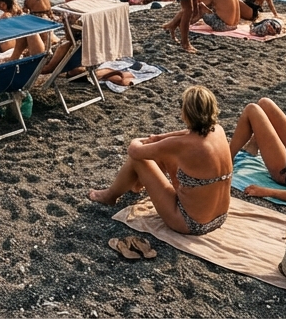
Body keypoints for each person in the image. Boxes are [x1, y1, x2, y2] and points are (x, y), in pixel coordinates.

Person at [88, 86, 232, 236]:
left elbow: (134, 151)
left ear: (187, 112)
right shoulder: (218, 130)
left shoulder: (182, 145)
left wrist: (139, 140)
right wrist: (159, 138)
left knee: (139, 160)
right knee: (162, 152)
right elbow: (186, 133)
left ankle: (110, 196)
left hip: (191, 224)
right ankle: (136, 185)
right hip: (219, 217)